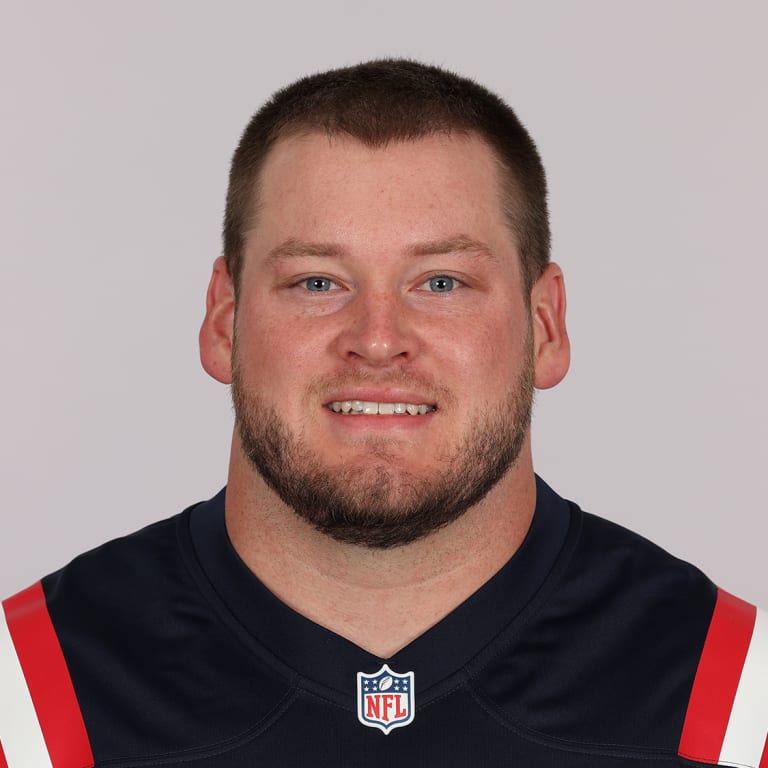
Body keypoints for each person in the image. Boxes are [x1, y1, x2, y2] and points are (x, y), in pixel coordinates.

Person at [0, 59, 765, 768]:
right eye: (316, 282)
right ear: (224, 322)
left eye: (441, 283)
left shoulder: (729, 703)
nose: (376, 340)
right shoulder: (33, 702)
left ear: (546, 328)